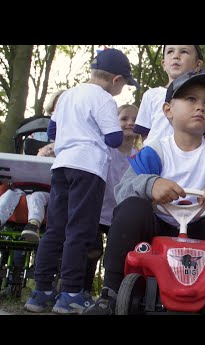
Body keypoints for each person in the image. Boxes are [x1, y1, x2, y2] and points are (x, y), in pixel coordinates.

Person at [84, 71, 205, 315]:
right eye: (190, 100)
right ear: (168, 110)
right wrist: (151, 184)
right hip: (159, 225)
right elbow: (122, 190)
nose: (200, 107)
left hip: (201, 226)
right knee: (131, 208)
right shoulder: (153, 152)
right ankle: (110, 294)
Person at [24, 48, 139, 314]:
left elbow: (52, 130)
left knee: (55, 228)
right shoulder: (103, 99)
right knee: (80, 230)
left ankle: (41, 292)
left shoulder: (67, 96)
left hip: (62, 166)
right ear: (116, 80)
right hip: (88, 168)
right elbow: (113, 139)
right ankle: (72, 293)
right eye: (124, 84)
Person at [84, 104, 141, 295]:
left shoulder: (140, 157)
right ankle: (81, 290)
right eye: (125, 118)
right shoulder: (105, 149)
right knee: (91, 251)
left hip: (121, 214)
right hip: (98, 210)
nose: (130, 123)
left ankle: (116, 293)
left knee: (118, 254)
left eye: (134, 119)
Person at [134, 45, 205, 146]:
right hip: (157, 159)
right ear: (163, 64)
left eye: (184, 52)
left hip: (190, 159)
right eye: (170, 52)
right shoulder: (150, 95)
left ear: (197, 64)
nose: (176, 56)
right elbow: (145, 132)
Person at [21, 90, 66, 241]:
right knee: (9, 194)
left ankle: (33, 224)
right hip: (28, 182)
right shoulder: (36, 135)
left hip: (51, 186)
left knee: (37, 197)